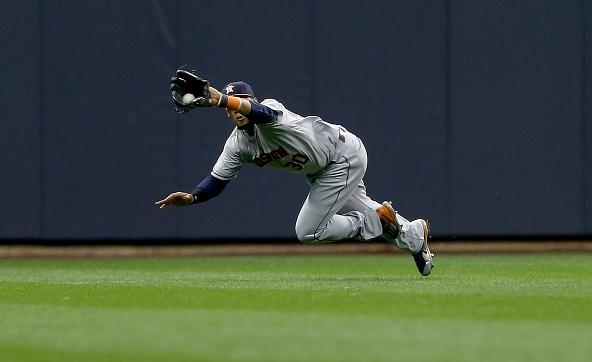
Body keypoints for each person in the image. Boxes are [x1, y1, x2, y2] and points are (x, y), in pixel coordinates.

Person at [156, 72, 434, 276]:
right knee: (365, 216)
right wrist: (192, 198)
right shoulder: (237, 144)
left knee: (308, 231)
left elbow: (260, 112)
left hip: (342, 156)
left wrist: (222, 100)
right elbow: (217, 180)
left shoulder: (270, 109)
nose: (236, 108)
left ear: (250, 100)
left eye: (241, 101)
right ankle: (413, 235)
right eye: (231, 106)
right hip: (324, 171)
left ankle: (371, 223)